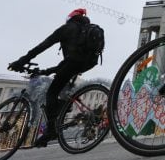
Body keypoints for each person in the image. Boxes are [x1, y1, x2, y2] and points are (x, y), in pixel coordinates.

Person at [8, 8, 99, 147]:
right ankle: (63, 108)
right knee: (63, 82)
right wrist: (47, 71)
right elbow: (68, 61)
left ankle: (51, 130)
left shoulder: (67, 29)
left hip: (73, 63)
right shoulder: (86, 30)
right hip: (88, 63)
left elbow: (42, 46)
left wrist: (21, 61)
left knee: (51, 93)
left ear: (70, 18)